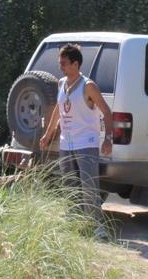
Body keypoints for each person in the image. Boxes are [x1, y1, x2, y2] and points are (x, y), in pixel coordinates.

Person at [39, 43, 114, 242]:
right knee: (69, 185)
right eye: (60, 63)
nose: (60, 67)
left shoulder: (88, 86)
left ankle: (97, 228)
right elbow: (58, 109)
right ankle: (74, 223)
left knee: (89, 186)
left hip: (86, 143)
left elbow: (106, 111)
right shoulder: (62, 83)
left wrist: (108, 138)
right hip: (66, 143)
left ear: (75, 64)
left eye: (64, 63)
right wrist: (48, 134)